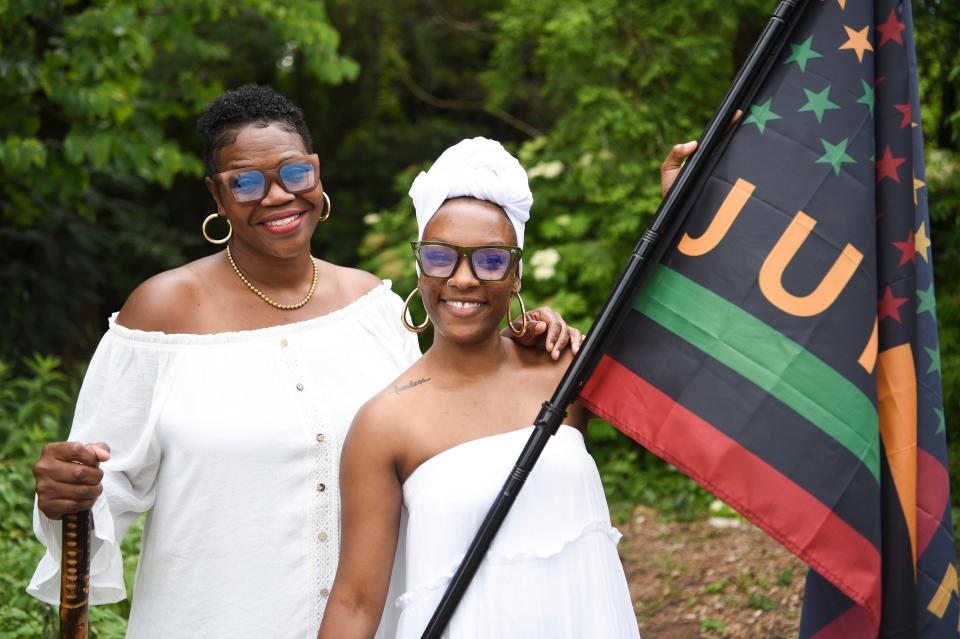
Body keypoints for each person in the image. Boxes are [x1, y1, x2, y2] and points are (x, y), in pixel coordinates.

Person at [27, 85, 583, 638]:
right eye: (245, 181)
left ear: (317, 176)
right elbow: (97, 490)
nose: (276, 196)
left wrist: (523, 347)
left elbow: (445, 447)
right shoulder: (161, 314)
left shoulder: (376, 310)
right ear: (217, 197)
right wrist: (62, 496)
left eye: (295, 173)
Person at [317, 138, 649, 639]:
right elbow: (356, 604)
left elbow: (674, 371)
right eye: (440, 257)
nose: (464, 279)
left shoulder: (561, 374)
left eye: (490, 260)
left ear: (516, 275)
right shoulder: (384, 423)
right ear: (420, 267)